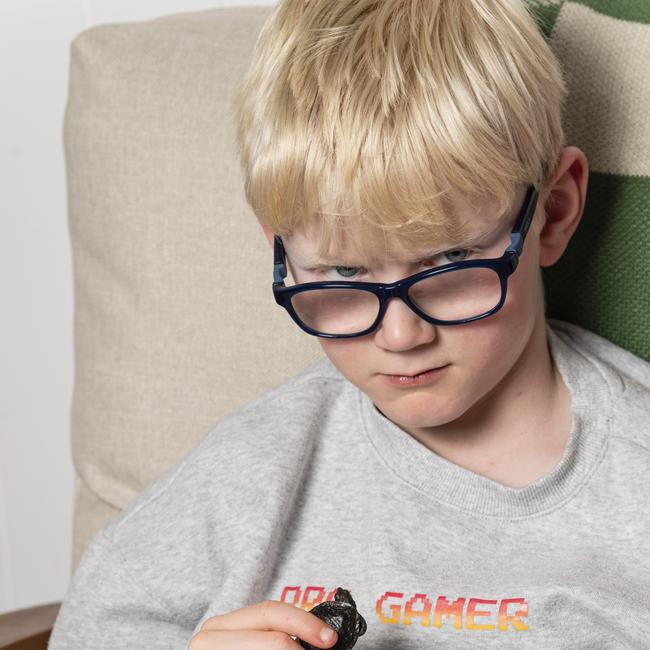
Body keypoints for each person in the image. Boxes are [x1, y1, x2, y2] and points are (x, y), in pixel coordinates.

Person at [49, 0, 650, 648]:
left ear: (554, 212)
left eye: (448, 264)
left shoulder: (630, 482)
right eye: (339, 277)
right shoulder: (250, 476)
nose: (400, 336)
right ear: (279, 248)